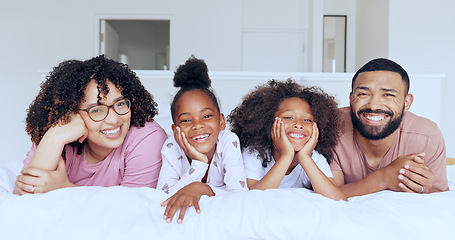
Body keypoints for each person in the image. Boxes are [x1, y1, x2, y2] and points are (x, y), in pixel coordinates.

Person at [13, 55, 167, 195]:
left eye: (120, 104)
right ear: (72, 113)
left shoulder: (146, 137)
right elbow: (22, 201)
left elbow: (133, 209)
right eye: (97, 110)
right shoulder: (58, 133)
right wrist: (54, 137)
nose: (114, 120)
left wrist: (64, 189)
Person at [329, 58, 449, 197]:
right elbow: (327, 194)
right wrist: (383, 178)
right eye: (363, 94)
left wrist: (422, 187)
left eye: (388, 95)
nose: (373, 106)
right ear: (351, 98)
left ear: (406, 102)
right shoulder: (332, 127)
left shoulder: (426, 135)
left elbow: (441, 197)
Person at [157, 56, 247, 224]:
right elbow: (163, 197)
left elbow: (240, 195)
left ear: (221, 121)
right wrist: (198, 164)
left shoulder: (228, 141)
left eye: (206, 116)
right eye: (186, 120)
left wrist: (202, 188)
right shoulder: (171, 147)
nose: (198, 125)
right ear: (175, 129)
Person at [228, 79, 346, 201]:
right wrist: (286, 156)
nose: (298, 124)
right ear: (268, 122)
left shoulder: (314, 157)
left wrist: (304, 157)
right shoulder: (254, 153)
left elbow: (338, 199)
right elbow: (251, 197)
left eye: (307, 120)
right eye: (288, 117)